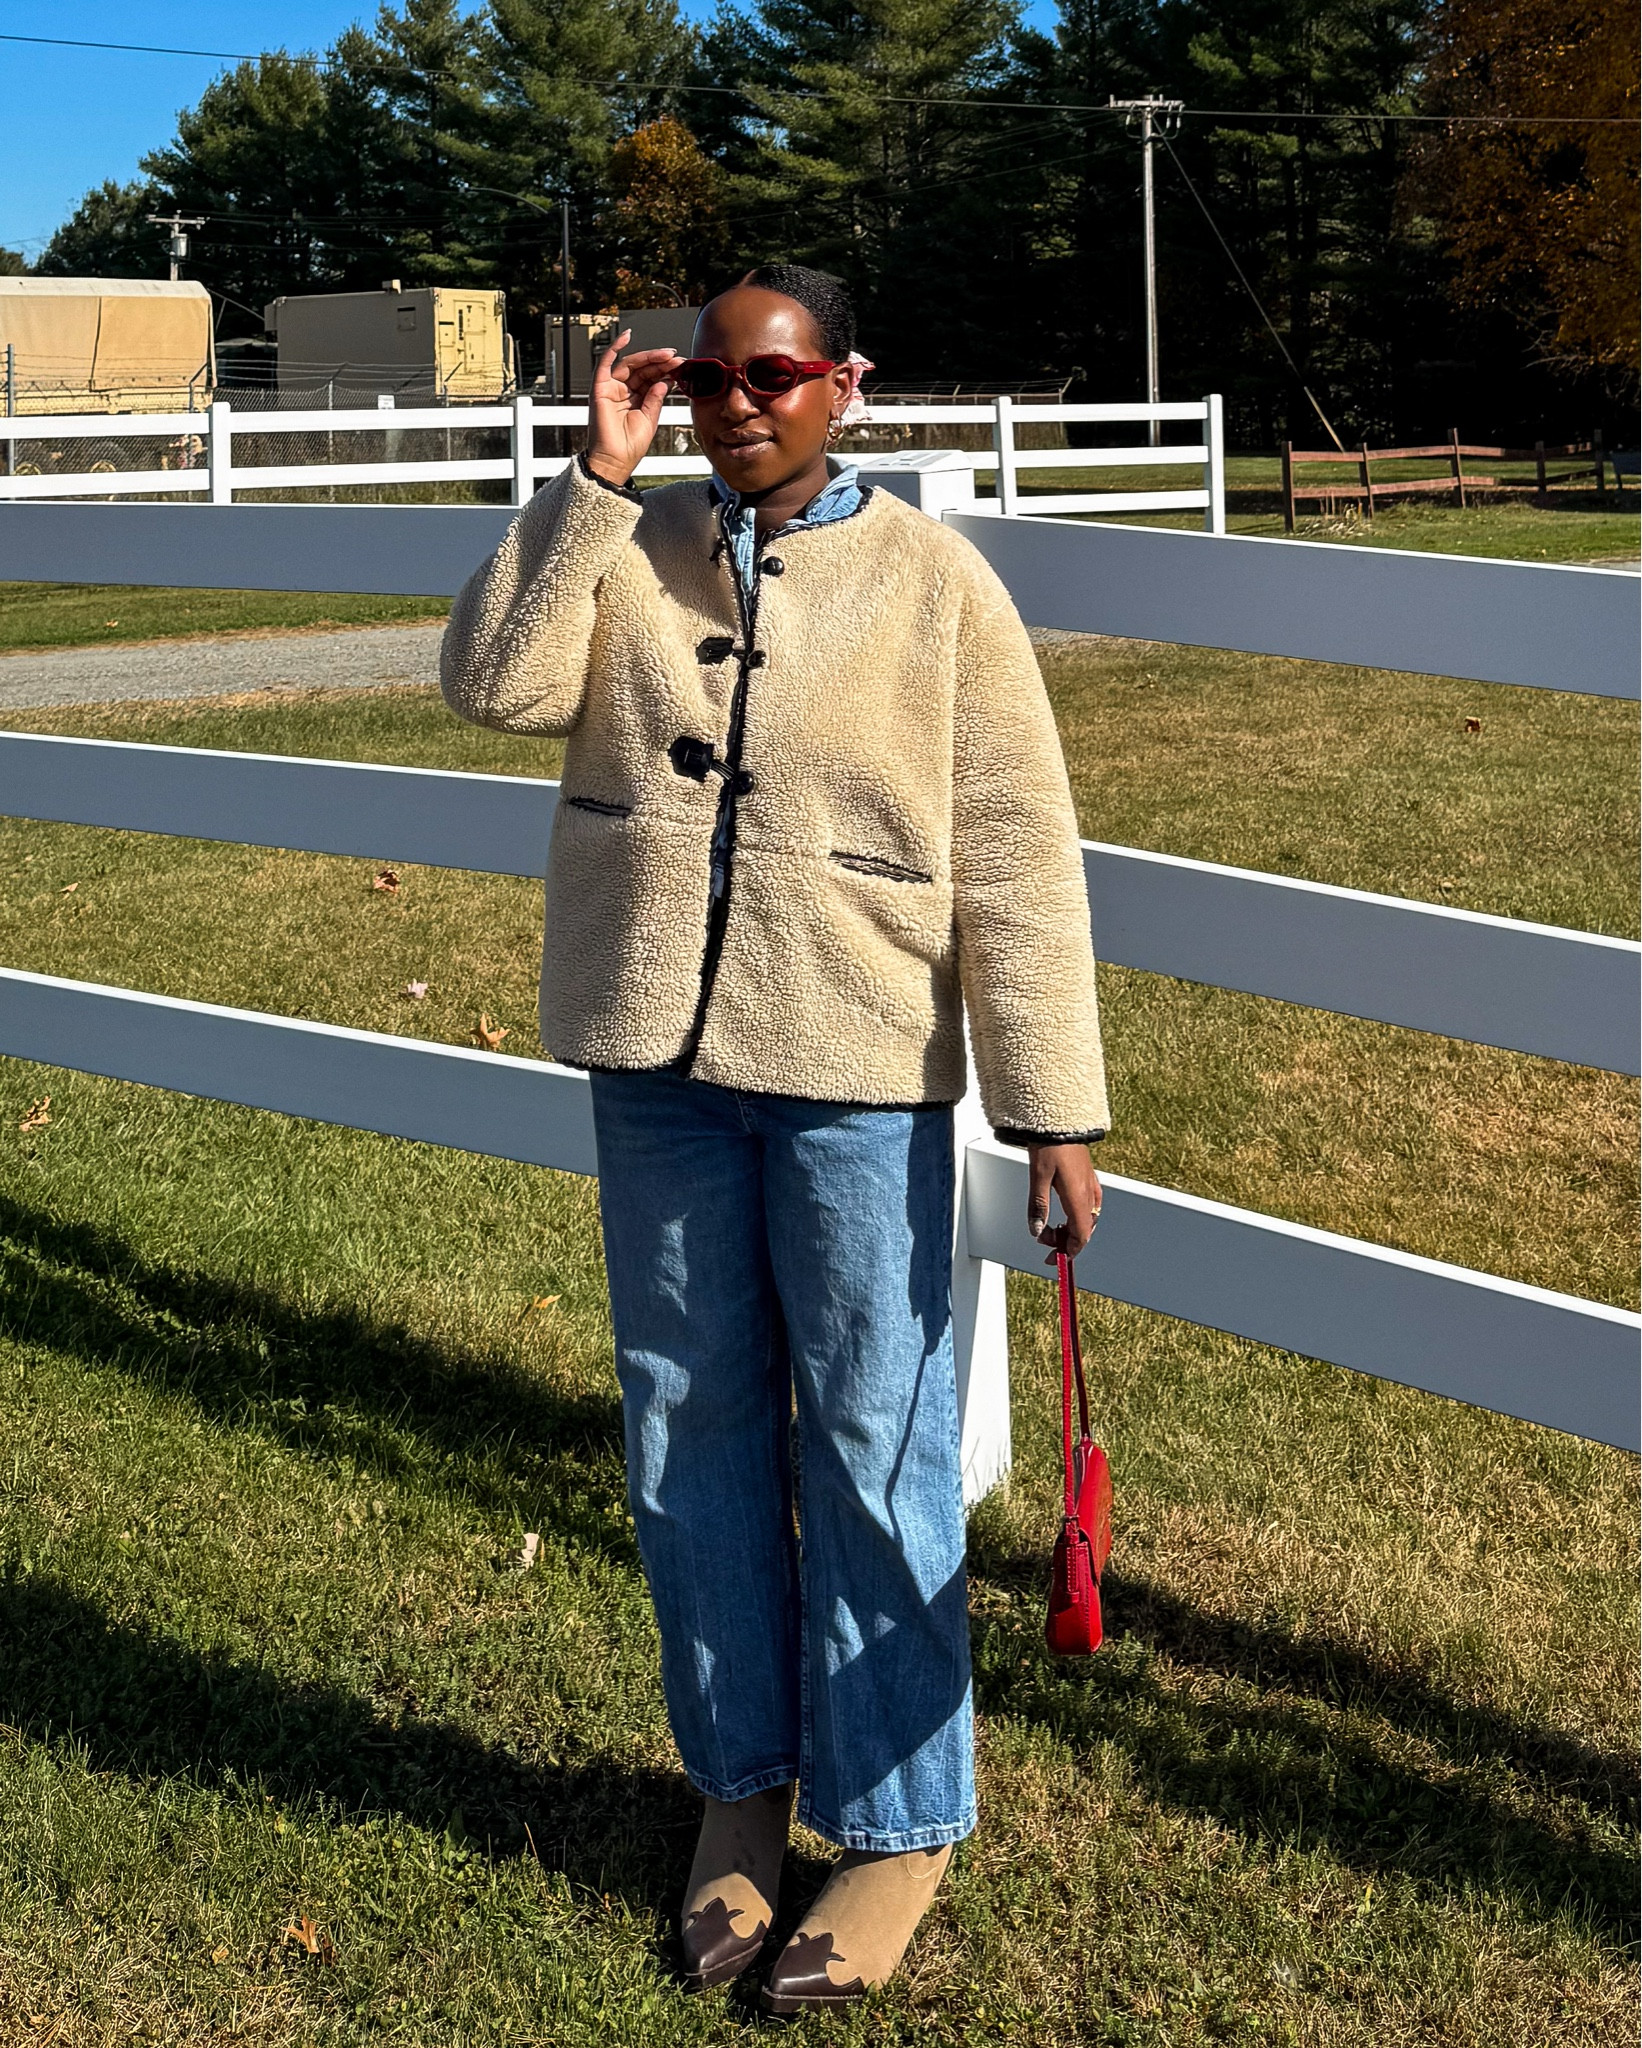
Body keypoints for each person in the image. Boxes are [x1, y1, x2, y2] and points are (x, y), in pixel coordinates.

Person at [440, 263, 1107, 2015]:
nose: (738, 403)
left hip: (854, 1055)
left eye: (774, 373)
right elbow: (491, 685)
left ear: (843, 384)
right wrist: (595, 470)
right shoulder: (628, 543)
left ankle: (896, 1822)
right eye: (706, 377)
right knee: (687, 1420)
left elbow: (1018, 853)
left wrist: (1049, 1103)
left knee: (874, 1438)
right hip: (653, 1054)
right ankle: (737, 1783)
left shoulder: (935, 584)